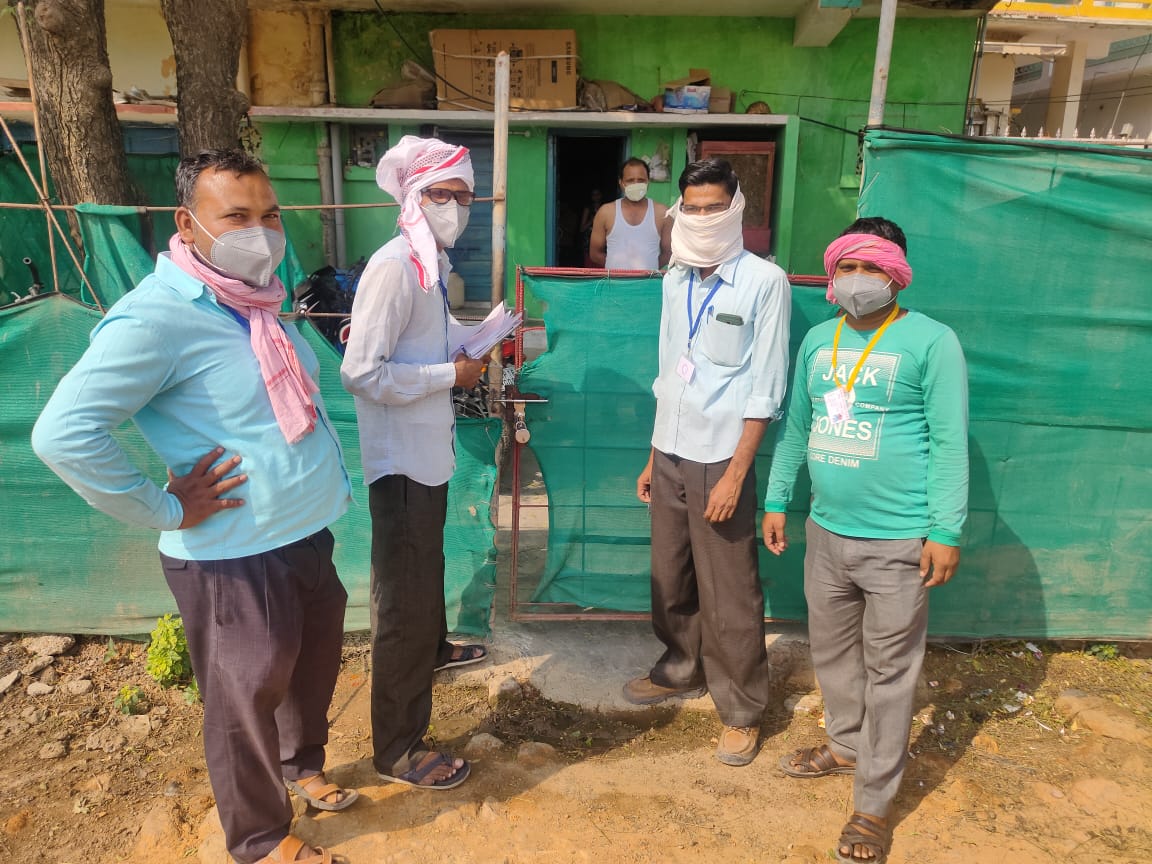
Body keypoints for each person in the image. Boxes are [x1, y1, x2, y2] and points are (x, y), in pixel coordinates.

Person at [32, 149, 357, 864]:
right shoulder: (155, 319)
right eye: (235, 217)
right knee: (246, 698)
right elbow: (62, 432)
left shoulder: (258, 299)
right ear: (188, 222)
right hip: (233, 555)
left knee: (310, 667)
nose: (260, 232)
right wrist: (162, 507)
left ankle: (302, 767)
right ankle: (260, 837)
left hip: (303, 530)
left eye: (269, 215)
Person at [762, 217, 969, 864]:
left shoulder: (931, 342)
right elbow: (797, 426)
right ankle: (847, 745)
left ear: (896, 272)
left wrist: (945, 529)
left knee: (890, 673)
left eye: (870, 268)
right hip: (826, 533)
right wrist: (776, 497)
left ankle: (873, 807)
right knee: (832, 656)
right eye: (845, 267)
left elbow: (949, 441)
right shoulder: (818, 341)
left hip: (900, 540)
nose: (857, 280)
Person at [627, 158, 792, 767]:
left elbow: (766, 388)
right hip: (670, 453)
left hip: (721, 458)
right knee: (670, 578)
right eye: (691, 208)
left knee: (729, 591)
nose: (700, 218)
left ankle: (743, 709)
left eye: (712, 207)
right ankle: (680, 667)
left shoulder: (762, 283)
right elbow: (670, 373)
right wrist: (652, 455)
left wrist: (736, 473)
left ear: (736, 208)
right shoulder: (675, 281)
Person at [340, 135, 490, 792]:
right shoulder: (396, 265)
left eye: (463, 195)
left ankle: (435, 650)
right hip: (400, 462)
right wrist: (448, 375)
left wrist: (473, 341)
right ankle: (398, 747)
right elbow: (362, 372)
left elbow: (428, 341)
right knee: (401, 598)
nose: (454, 206)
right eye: (441, 194)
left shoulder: (429, 268)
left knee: (426, 567)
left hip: (428, 451)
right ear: (411, 196)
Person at [589, 157, 671, 270]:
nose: (636, 184)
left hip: (648, 285)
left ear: (648, 182)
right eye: (630, 180)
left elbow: (668, 253)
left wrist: (648, 269)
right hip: (614, 285)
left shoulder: (663, 213)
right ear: (621, 183)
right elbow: (595, 254)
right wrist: (615, 267)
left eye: (641, 180)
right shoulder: (606, 212)